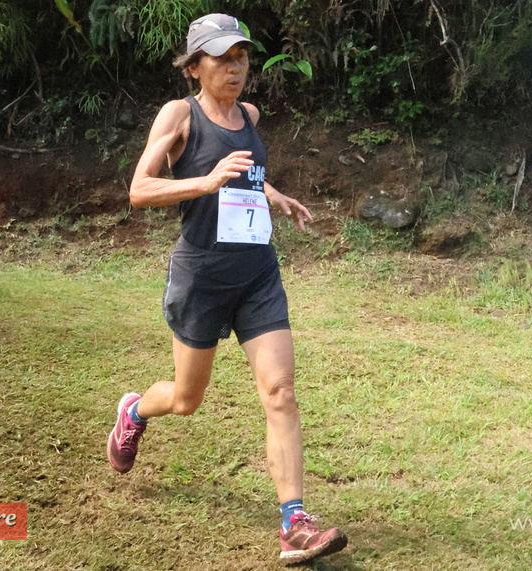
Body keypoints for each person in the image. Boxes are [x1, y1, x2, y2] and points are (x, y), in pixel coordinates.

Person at [105, 13, 348, 565]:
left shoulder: (250, 115)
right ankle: (135, 411)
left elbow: (246, 174)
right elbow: (140, 189)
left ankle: (295, 523)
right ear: (195, 67)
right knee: (186, 399)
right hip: (203, 276)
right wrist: (207, 180)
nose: (235, 68)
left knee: (280, 392)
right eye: (221, 59)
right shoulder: (179, 115)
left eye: (241, 57)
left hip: (257, 273)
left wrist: (272, 193)